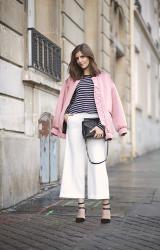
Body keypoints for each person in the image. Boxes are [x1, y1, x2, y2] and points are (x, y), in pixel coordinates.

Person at [51, 43, 127, 223]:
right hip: (75, 123)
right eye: (77, 58)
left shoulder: (104, 78)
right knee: (75, 164)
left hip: (96, 125)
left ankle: (106, 208)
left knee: (98, 164)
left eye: (82, 56)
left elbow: (115, 104)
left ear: (90, 56)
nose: (80, 60)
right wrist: (65, 118)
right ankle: (81, 208)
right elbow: (62, 102)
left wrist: (115, 126)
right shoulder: (71, 79)